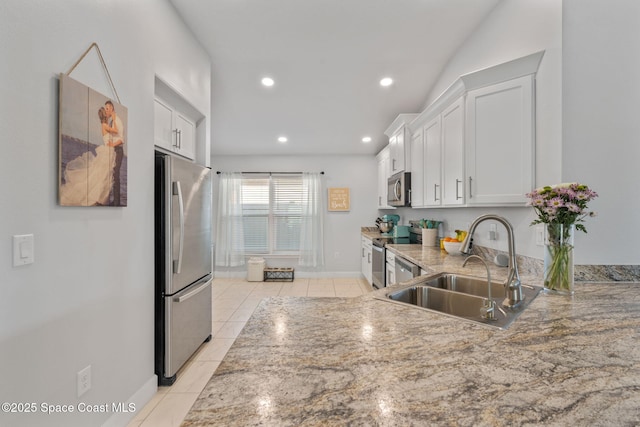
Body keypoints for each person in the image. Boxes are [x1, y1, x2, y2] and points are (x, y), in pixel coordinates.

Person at [60, 107, 116, 206]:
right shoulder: (104, 125)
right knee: (101, 175)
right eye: (106, 113)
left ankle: (101, 198)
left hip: (109, 151)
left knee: (104, 175)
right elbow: (115, 131)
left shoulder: (104, 125)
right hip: (107, 151)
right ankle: (96, 197)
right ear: (105, 115)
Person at [104, 100, 124, 206]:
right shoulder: (112, 121)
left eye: (107, 109)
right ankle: (114, 200)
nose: (106, 111)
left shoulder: (117, 121)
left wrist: (112, 145)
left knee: (116, 175)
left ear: (112, 108)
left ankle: (117, 203)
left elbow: (121, 140)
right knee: (112, 175)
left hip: (118, 150)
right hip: (113, 150)